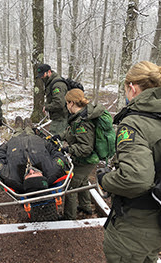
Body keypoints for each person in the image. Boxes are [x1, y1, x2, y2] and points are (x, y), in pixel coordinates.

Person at [97, 61, 161, 263]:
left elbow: (136, 179)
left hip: (137, 225)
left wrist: (105, 180)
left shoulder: (135, 123)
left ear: (132, 87)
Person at [54, 88, 106, 220]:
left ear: (71, 103)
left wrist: (69, 149)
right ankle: (86, 207)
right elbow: (71, 132)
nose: (66, 106)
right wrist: (59, 136)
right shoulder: (79, 117)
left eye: (67, 103)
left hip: (87, 159)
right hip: (86, 159)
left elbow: (85, 148)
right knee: (82, 182)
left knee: (71, 186)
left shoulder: (83, 122)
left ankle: (69, 217)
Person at [0, 116, 67, 194]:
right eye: (35, 172)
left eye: (29, 174)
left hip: (16, 141)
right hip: (34, 139)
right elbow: (58, 154)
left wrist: (5, 146)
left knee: (17, 132)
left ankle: (18, 127)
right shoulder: (52, 170)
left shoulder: (10, 176)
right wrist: (45, 143)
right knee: (30, 131)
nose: (31, 170)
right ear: (42, 176)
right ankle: (28, 127)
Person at [37, 64, 68, 134]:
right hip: (56, 117)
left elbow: (59, 103)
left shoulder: (57, 85)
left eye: (43, 75)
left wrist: (47, 107)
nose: (42, 77)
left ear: (49, 72)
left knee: (54, 141)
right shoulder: (50, 83)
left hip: (61, 117)